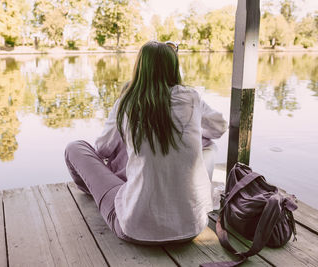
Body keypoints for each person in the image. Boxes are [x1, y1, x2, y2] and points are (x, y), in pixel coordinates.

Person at [65, 40, 227, 244]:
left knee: (75, 148)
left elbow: (103, 149)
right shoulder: (192, 98)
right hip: (192, 227)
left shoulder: (128, 102)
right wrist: (188, 132)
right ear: (174, 67)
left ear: (140, 67)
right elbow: (219, 128)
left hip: (135, 229)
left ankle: (101, 194)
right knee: (209, 144)